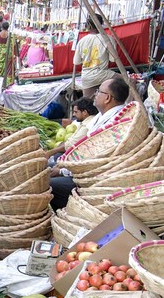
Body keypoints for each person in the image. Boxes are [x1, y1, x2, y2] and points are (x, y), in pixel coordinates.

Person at [50, 78, 129, 210]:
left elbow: (94, 159)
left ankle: (72, 214)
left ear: (108, 98)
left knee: (49, 185)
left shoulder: (114, 122)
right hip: (86, 171)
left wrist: (63, 171)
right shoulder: (102, 116)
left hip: (95, 180)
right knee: (50, 167)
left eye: (99, 92)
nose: (95, 94)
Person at [74, 14, 118, 97]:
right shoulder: (108, 39)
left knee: (87, 103)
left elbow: (77, 62)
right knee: (128, 82)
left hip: (87, 77)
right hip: (103, 74)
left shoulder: (82, 41)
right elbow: (113, 59)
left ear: (89, 26)